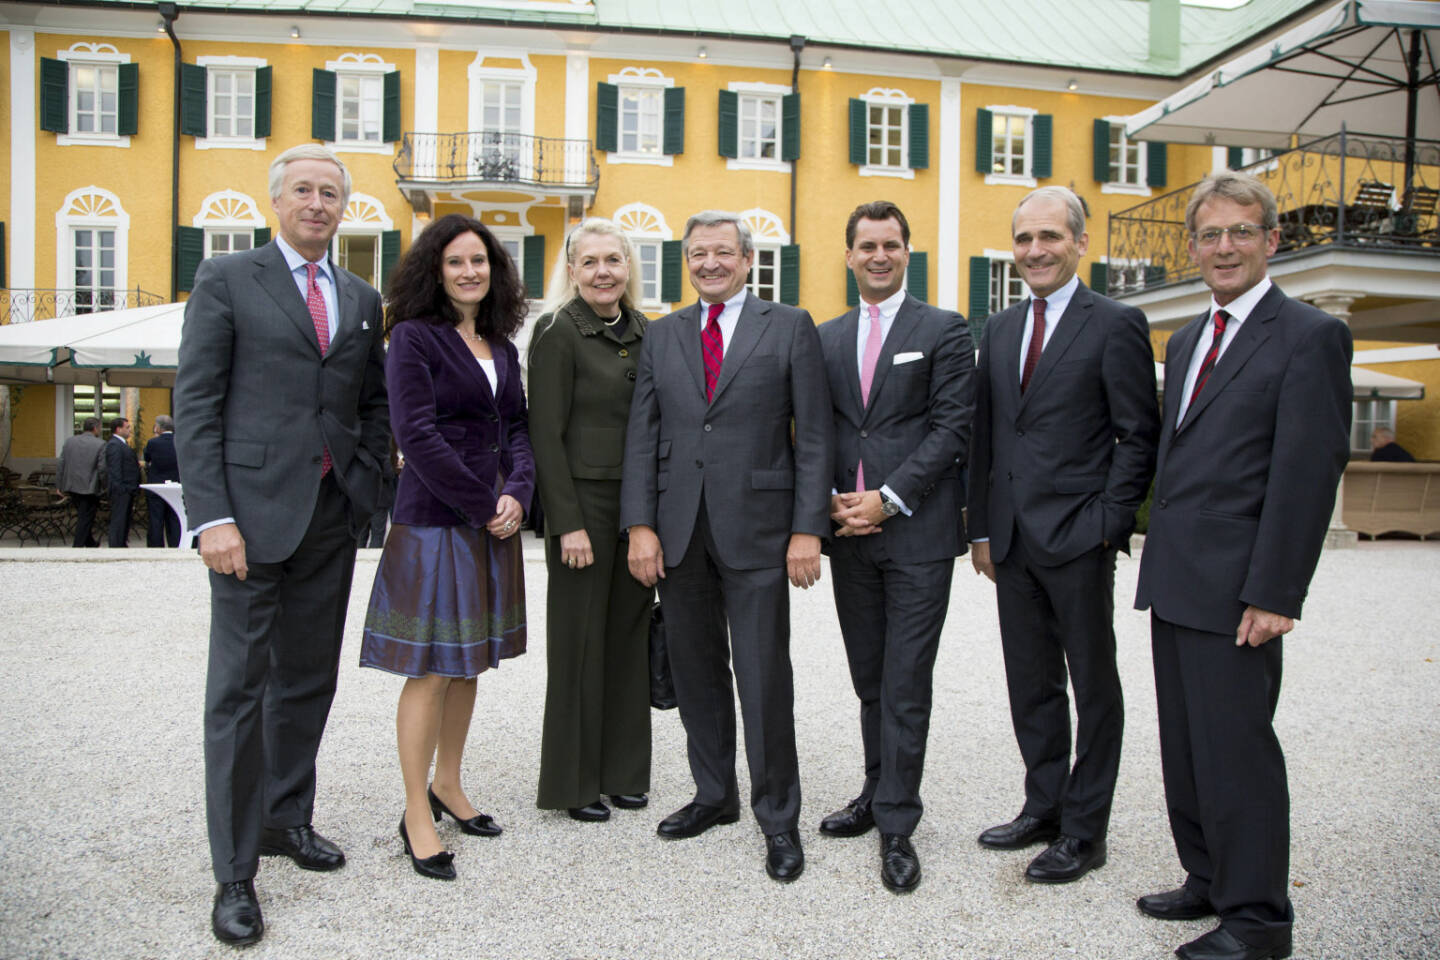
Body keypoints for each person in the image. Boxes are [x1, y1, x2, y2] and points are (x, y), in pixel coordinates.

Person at [174, 144, 389, 947]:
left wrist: (364, 482)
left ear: (343, 208)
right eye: (304, 190)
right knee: (237, 693)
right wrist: (211, 516)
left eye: (331, 193)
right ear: (276, 202)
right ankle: (235, 873)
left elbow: (371, 401)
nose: (318, 203)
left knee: (306, 682)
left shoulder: (362, 298)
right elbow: (196, 403)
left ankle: (284, 819)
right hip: (247, 522)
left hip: (329, 520)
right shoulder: (227, 279)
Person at [1135, 171, 1352, 960]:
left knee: (1239, 755)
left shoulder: (1309, 335)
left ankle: (1258, 920)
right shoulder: (1190, 338)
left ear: (1272, 240)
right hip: (1177, 580)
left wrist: (1275, 592)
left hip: (1240, 591)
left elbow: (1308, 471)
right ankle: (1208, 879)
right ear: (1193, 248)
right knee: (1187, 748)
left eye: (1240, 232)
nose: (1224, 247)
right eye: (1210, 235)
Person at [620, 210, 833, 884]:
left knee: (764, 675)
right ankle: (714, 794)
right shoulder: (664, 334)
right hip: (679, 531)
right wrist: (641, 525)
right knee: (695, 669)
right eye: (697, 255)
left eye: (721, 253)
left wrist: (807, 529)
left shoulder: (790, 326)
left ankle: (779, 818)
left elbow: (817, 435)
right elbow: (643, 436)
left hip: (763, 531)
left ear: (747, 259)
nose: (709, 264)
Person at [967, 185, 1159, 884]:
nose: (1035, 250)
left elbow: (1138, 437)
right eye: (1023, 239)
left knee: (1093, 685)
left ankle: (1085, 829)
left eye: (1049, 237)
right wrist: (981, 529)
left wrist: (1108, 525)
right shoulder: (999, 328)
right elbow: (988, 434)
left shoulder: (1116, 323)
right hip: (1013, 542)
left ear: (1080, 242)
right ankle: (1043, 805)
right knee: (1031, 684)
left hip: (1079, 537)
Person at [358, 212, 532, 882]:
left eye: (480, 261)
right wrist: (488, 503)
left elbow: (517, 426)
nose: (469, 272)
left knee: (469, 663)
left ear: (495, 272)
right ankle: (414, 811)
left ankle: (449, 784)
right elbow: (416, 434)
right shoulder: (413, 338)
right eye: (456, 261)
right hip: (436, 519)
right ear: (435, 269)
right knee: (431, 667)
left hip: (493, 520)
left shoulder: (502, 344)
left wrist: (518, 489)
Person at [815, 201, 974, 893]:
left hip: (916, 535)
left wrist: (889, 497)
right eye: (867, 245)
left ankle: (899, 825)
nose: (879, 255)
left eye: (891, 244)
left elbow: (951, 428)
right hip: (848, 535)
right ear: (848, 255)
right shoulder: (824, 336)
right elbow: (814, 430)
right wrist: (828, 500)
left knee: (906, 681)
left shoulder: (943, 329)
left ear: (907, 252)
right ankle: (875, 791)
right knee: (869, 677)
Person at [528, 218, 653, 823]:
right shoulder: (557, 331)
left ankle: (625, 772)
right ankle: (574, 780)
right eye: (590, 262)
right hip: (583, 508)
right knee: (579, 645)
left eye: (614, 260)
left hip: (635, 508)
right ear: (572, 270)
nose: (603, 272)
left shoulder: (644, 330)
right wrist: (566, 522)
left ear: (628, 267)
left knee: (629, 639)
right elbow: (545, 437)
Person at [56, 417, 106, 548]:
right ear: (95, 428)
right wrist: (105, 486)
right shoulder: (100, 444)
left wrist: (59, 485)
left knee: (83, 515)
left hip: (72, 485)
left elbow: (61, 463)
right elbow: (102, 468)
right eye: (99, 427)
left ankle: (90, 543)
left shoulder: (69, 442)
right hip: (90, 486)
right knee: (85, 517)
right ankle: (77, 546)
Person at [144, 414, 181, 547]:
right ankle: (175, 544)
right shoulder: (179, 441)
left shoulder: (153, 443)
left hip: (156, 485)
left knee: (156, 519)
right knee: (174, 518)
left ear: (158, 427)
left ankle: (155, 546)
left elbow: (147, 458)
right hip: (176, 484)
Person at [105, 416, 141, 547]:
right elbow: (115, 469)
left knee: (124, 519)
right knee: (119, 519)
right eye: (127, 427)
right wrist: (121, 488)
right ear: (118, 429)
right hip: (121, 490)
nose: (129, 430)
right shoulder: (114, 445)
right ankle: (116, 545)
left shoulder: (121, 444)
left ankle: (121, 543)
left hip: (127, 489)